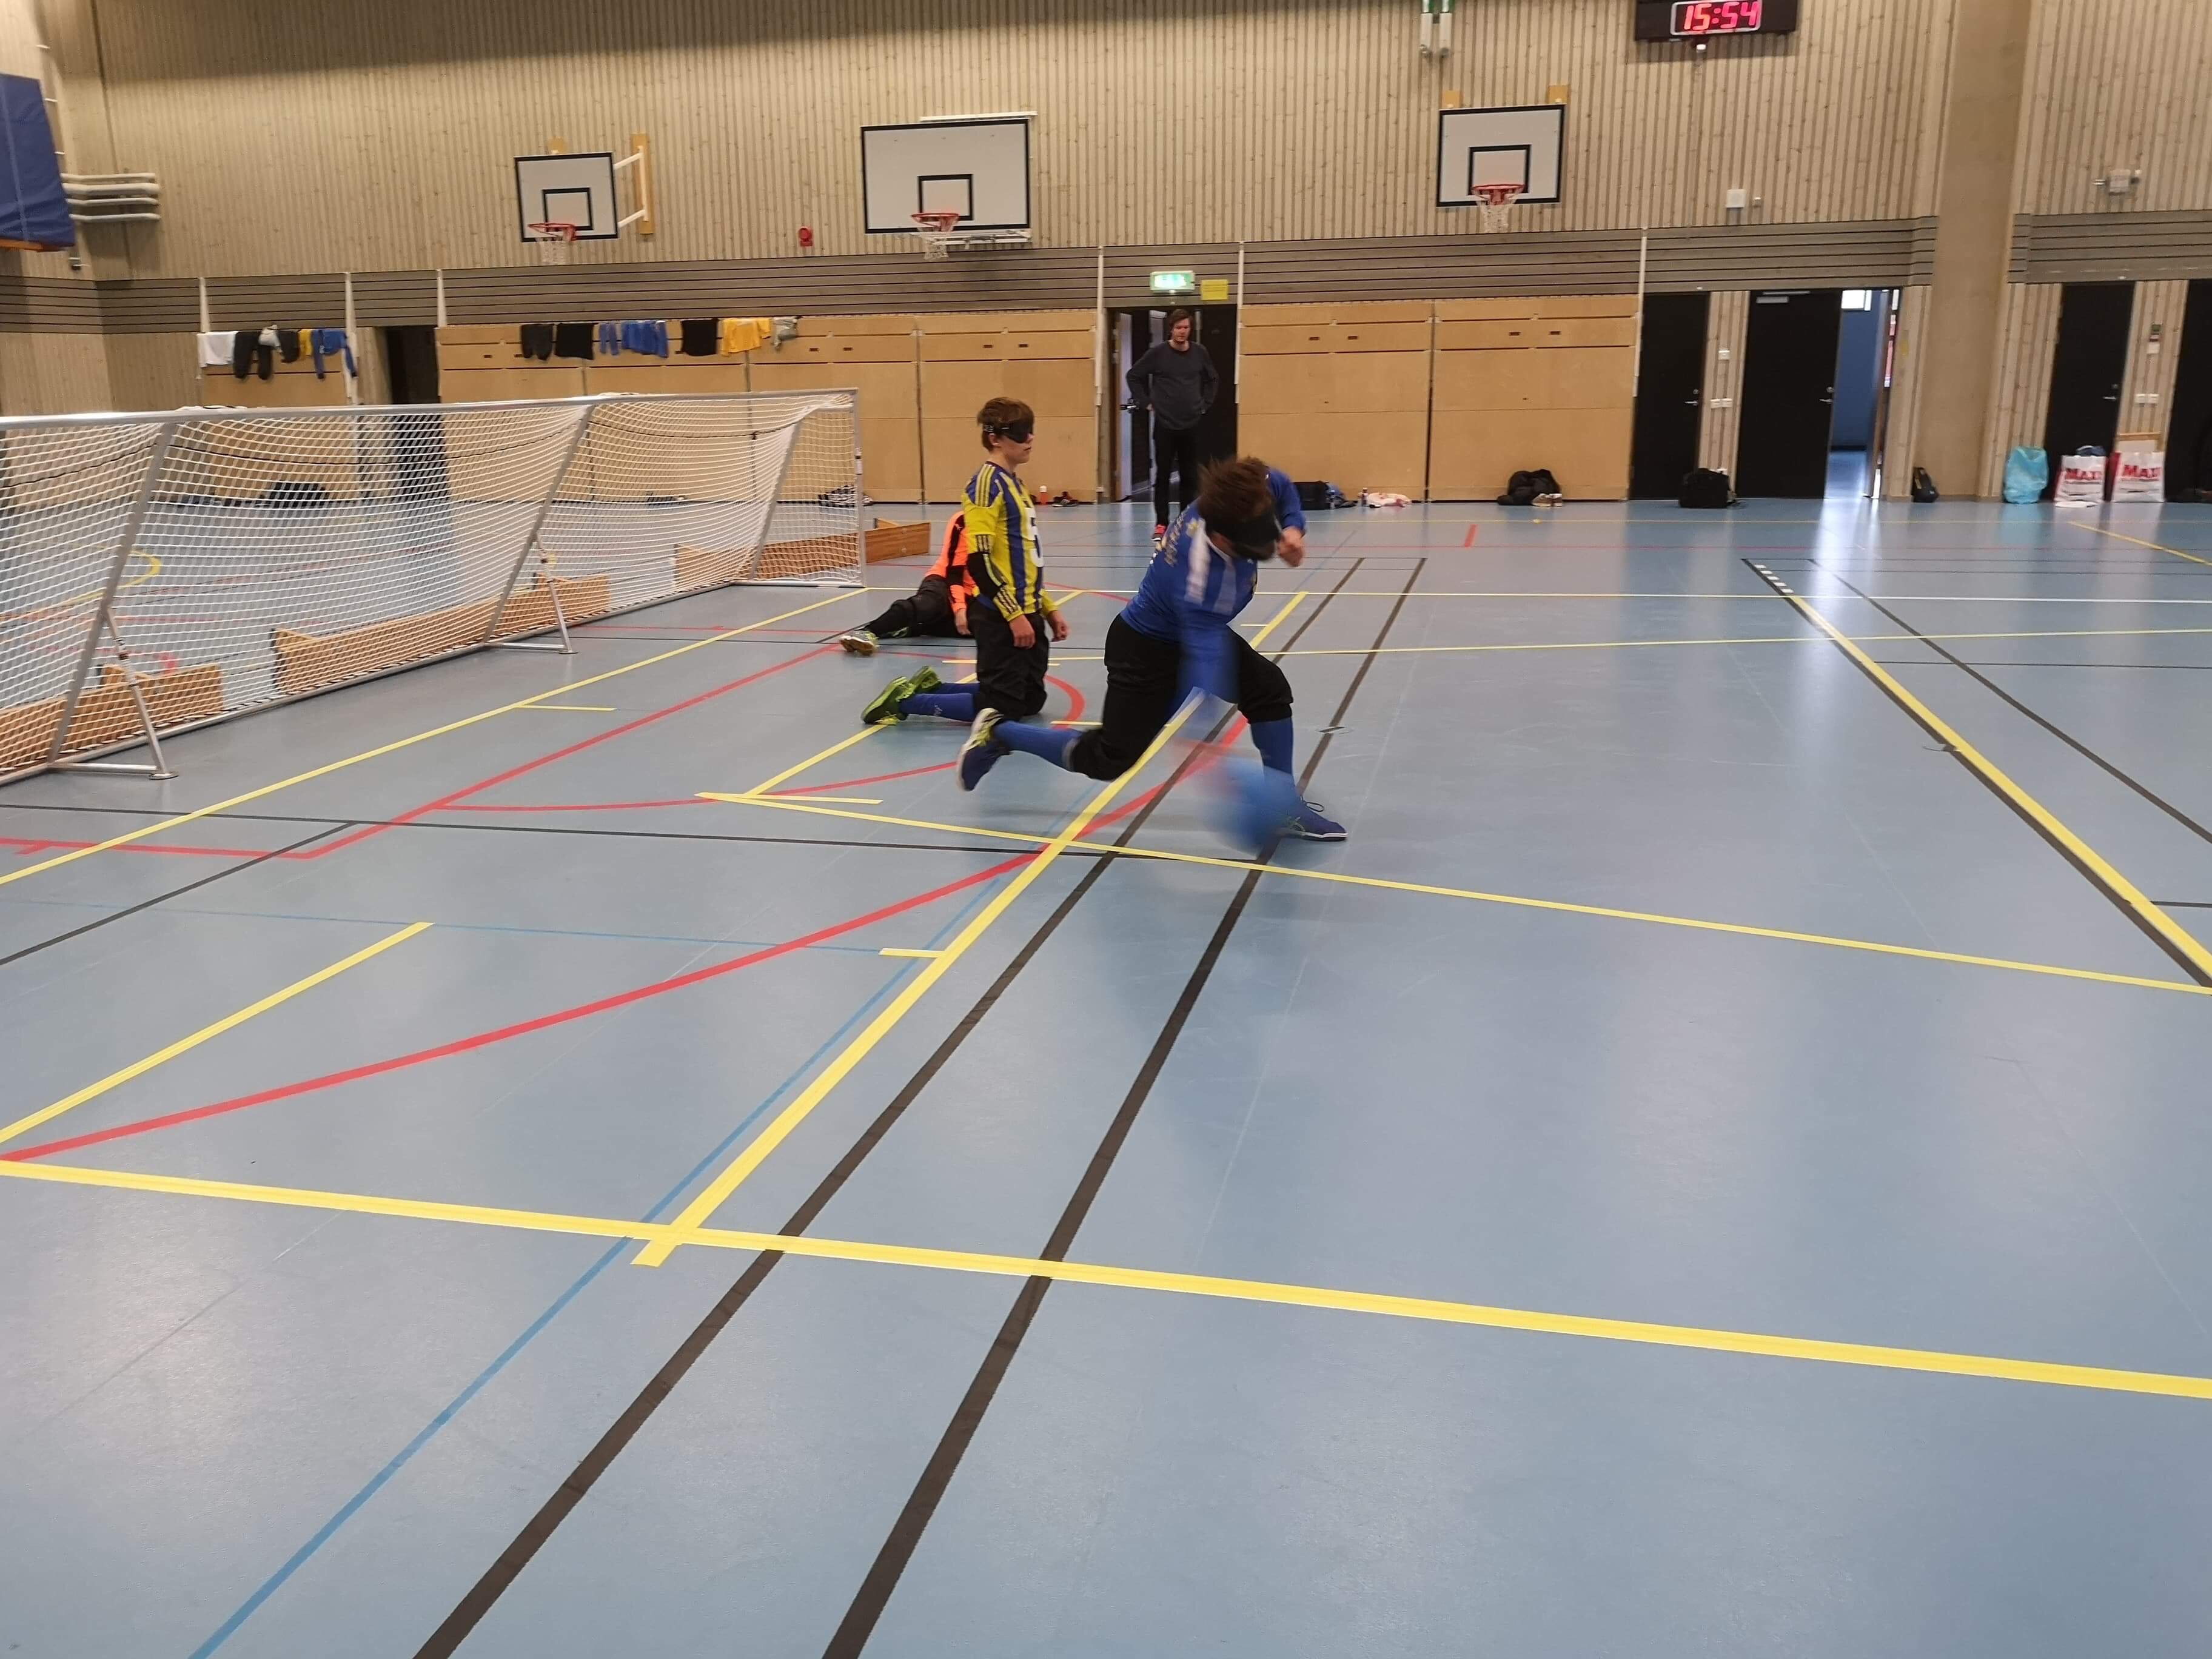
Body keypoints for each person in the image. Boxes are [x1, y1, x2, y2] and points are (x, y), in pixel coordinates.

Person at [956, 455, 1344, 842]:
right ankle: (1001, 733)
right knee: (1109, 758)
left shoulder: (1241, 492)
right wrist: (1203, 744)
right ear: (1224, 539)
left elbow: (1280, 482)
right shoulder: (1200, 577)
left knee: (1268, 689)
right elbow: (1205, 659)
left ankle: (1284, 805)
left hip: (1187, 635)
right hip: (1145, 650)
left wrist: (1294, 528)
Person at [861, 397, 1068, 728]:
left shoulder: (1016, 485)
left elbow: (1026, 559)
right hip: (1001, 614)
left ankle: (936, 687)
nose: (1030, 439)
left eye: (1031, 431)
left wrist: (1048, 608)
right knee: (1004, 708)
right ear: (995, 438)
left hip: (1027, 607)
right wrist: (1013, 616)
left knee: (1030, 700)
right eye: (1020, 432)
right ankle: (907, 701)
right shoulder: (986, 485)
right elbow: (981, 561)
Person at [1126, 308, 1219, 549]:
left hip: (1191, 423)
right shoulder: (1158, 354)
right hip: (1165, 424)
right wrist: (1145, 402)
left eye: (1186, 328)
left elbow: (1212, 379)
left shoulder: (1200, 353)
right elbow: (1134, 375)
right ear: (1171, 329)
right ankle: (1161, 523)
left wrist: (1205, 404)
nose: (1182, 332)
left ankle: (1186, 522)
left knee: (1190, 476)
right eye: (1178, 328)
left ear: (1190, 329)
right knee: (1163, 475)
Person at [839, 514, 977, 655]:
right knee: (929, 604)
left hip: (978, 593)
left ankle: (916, 628)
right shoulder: (964, 521)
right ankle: (868, 632)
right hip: (945, 580)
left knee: (989, 628)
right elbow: (953, 572)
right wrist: (960, 609)